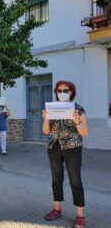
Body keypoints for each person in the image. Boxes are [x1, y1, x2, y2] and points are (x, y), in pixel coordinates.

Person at [42, 81, 88, 228]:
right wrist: (46, 118)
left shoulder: (78, 109)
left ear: (71, 92)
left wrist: (77, 122)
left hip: (72, 147)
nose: (62, 93)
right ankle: (57, 209)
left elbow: (84, 132)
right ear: (56, 92)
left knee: (75, 180)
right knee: (56, 179)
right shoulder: (51, 108)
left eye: (65, 90)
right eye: (59, 90)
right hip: (53, 146)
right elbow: (45, 131)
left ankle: (80, 215)